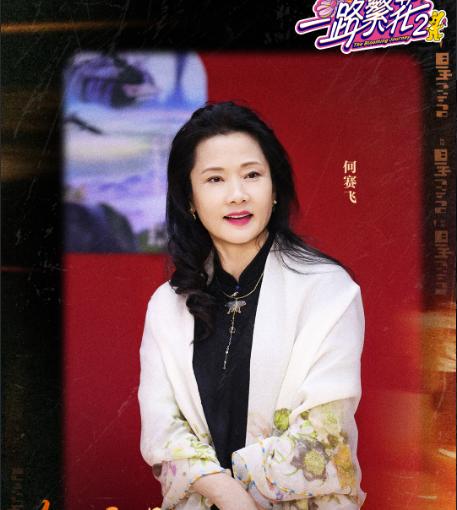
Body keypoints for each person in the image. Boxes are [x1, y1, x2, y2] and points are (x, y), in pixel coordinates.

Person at [138, 102, 366, 510]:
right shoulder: (166, 306)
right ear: (189, 198)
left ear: (274, 188)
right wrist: (225, 494)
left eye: (252, 175)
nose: (237, 194)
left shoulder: (328, 291)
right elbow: (162, 432)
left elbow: (324, 438)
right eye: (215, 179)